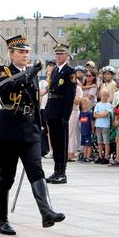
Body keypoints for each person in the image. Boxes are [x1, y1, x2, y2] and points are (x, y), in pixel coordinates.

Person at [0, 35, 65, 235]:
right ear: (11, 54)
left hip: (30, 129)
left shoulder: (31, 73)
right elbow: (9, 90)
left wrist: (40, 126)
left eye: (27, 52)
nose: (25, 55)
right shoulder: (4, 71)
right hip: (9, 130)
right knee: (6, 177)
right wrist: (31, 72)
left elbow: (34, 102)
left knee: (36, 170)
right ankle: (2, 220)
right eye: (21, 52)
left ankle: (46, 212)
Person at [45, 44, 76, 184]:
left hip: (61, 111)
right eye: (57, 54)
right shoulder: (55, 70)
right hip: (52, 110)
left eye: (61, 54)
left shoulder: (70, 72)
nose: (58, 56)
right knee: (55, 143)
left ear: (67, 55)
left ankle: (62, 172)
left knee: (62, 143)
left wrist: (65, 116)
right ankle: (56, 170)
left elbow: (70, 96)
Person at [93, 89, 113, 164]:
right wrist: (102, 114)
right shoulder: (98, 104)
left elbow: (106, 114)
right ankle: (100, 156)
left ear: (108, 96)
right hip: (98, 125)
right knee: (99, 142)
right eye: (102, 95)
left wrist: (99, 114)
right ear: (100, 96)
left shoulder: (109, 105)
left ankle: (106, 157)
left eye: (105, 95)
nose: (104, 97)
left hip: (105, 126)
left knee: (106, 142)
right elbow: (94, 115)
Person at [68, 78, 83, 162]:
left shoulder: (78, 89)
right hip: (65, 111)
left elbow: (77, 101)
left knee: (72, 133)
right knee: (66, 133)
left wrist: (69, 93)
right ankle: (66, 152)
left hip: (74, 111)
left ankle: (72, 153)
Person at [79, 98, 94, 162]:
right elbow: (80, 120)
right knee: (84, 145)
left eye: (86, 104)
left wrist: (92, 129)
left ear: (89, 105)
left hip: (88, 132)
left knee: (88, 145)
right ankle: (84, 156)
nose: (85, 106)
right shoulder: (81, 113)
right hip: (83, 132)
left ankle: (88, 157)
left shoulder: (89, 113)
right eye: (84, 104)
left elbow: (92, 121)